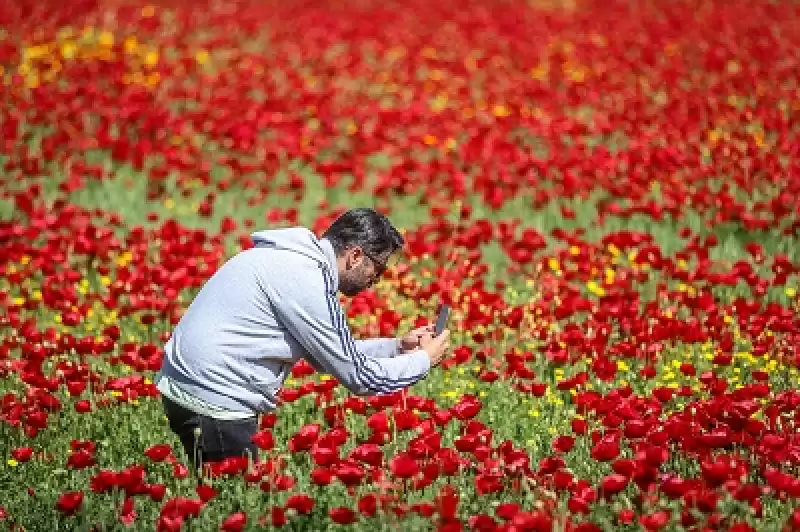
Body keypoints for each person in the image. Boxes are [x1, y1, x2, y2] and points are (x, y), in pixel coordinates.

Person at [154, 208, 451, 472]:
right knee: (235, 507)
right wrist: (424, 360)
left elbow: (325, 356)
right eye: (379, 269)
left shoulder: (290, 260)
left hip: (188, 387)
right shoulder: (306, 280)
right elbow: (359, 378)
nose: (377, 280)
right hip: (216, 400)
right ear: (356, 255)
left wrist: (398, 347)